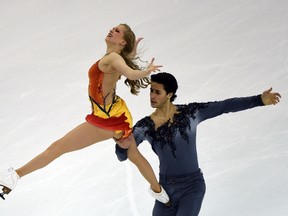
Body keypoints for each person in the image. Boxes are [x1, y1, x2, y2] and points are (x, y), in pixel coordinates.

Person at [0, 23, 170, 203]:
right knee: (134, 155)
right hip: (115, 113)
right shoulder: (115, 57)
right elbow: (124, 65)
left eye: (117, 31)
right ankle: (160, 193)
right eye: (113, 28)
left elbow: (130, 72)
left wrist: (145, 71)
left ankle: (15, 176)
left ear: (121, 42)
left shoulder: (113, 58)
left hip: (107, 119)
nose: (112, 30)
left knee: (57, 147)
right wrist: (131, 52)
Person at [115, 72, 281, 216]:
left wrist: (259, 100)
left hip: (192, 187)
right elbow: (123, 154)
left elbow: (224, 106)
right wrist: (121, 146)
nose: (152, 95)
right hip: (165, 189)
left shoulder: (190, 113)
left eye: (157, 92)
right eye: (151, 91)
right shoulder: (146, 125)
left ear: (169, 94)